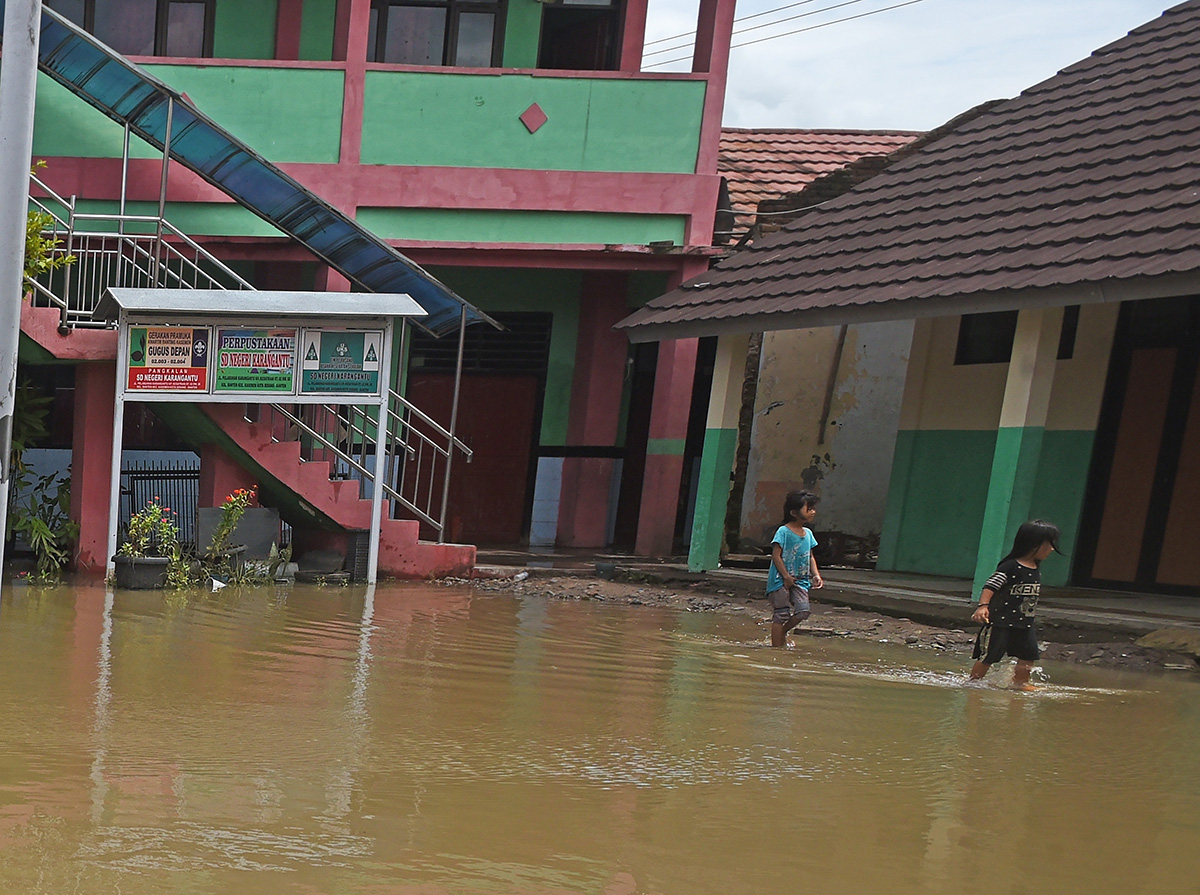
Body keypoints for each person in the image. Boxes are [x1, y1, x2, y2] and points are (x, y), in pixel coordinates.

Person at [968, 519, 1062, 690]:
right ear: (1033, 543)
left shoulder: (1034, 568)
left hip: (1024, 622)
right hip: (999, 622)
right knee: (989, 656)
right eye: (1048, 544)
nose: (1051, 549)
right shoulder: (1010, 567)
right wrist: (983, 606)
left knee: (1028, 655)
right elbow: (991, 585)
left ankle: (1020, 683)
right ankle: (973, 683)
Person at [766, 489, 824, 647]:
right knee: (781, 613)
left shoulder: (809, 534)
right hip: (780, 580)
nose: (813, 511)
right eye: (809, 508)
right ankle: (776, 648)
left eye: (812, 508)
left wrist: (816, 575)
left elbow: (810, 556)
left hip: (801, 580)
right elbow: (776, 555)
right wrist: (785, 576)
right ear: (794, 512)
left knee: (803, 611)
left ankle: (783, 632)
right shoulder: (783, 532)